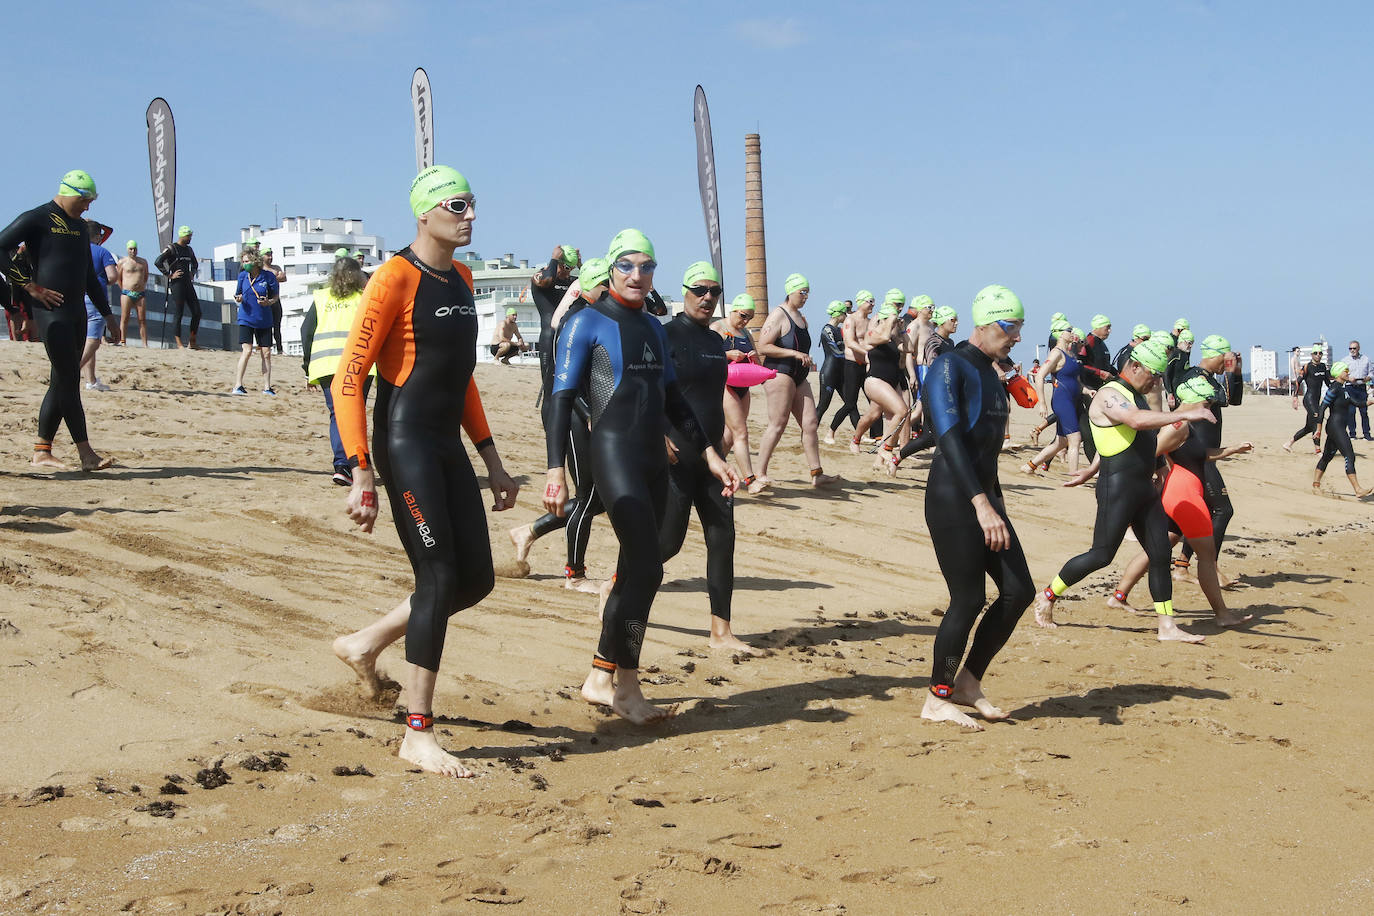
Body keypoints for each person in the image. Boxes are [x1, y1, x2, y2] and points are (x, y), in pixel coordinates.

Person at [330, 165, 518, 777]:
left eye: (472, 205)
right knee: (437, 576)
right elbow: (348, 380)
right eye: (457, 205)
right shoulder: (392, 279)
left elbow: (462, 381)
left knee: (477, 580)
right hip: (404, 444)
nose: (469, 215)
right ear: (425, 212)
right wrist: (361, 471)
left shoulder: (462, 278)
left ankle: (364, 644)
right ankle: (418, 732)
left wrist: (492, 460)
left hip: (447, 446)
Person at [543, 229, 738, 724]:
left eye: (646, 266)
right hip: (612, 456)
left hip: (654, 462)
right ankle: (627, 689)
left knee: (634, 571)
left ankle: (600, 677)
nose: (637, 275)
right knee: (649, 569)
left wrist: (711, 454)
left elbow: (675, 402)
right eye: (627, 265)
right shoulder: (586, 323)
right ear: (610, 270)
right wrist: (555, 471)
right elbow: (560, 398)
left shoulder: (653, 328)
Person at [1032, 337, 1214, 641]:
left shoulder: (1135, 395)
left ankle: (1167, 626)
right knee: (1101, 554)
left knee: (1159, 554)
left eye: (1159, 376)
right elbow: (1134, 421)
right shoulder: (1109, 395)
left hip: (1144, 487)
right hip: (1117, 488)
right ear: (1135, 365)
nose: (1156, 381)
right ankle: (1048, 596)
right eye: (1153, 374)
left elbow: (1120, 439)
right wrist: (1184, 413)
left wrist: (1092, 468)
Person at [920, 285, 1034, 730]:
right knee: (967, 599)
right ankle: (936, 697)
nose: (1017, 337)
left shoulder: (990, 371)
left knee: (1019, 590)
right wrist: (981, 504)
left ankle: (968, 681)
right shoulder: (949, 365)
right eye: (1011, 327)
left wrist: (996, 500)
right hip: (954, 498)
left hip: (985, 497)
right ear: (984, 324)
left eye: (1021, 327)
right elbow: (948, 439)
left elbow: (985, 445)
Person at [657, 262, 758, 654]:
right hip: (675, 456)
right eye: (700, 289)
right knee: (668, 543)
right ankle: (616, 584)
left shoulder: (718, 343)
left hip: (712, 457)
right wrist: (660, 435)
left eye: (714, 291)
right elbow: (651, 392)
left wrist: (727, 441)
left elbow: (717, 399)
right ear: (683, 291)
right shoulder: (665, 335)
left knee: (723, 538)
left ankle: (721, 631)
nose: (707, 297)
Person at [1105, 376, 1254, 627]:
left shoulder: (1187, 424)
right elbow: (1150, 452)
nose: (1209, 407)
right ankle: (1222, 615)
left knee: (1157, 549)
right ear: (1194, 400)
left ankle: (1119, 596)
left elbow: (1199, 456)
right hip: (1184, 497)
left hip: (1180, 495)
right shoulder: (1178, 426)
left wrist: (1231, 449)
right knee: (1207, 558)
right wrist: (1147, 479)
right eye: (1207, 402)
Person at [0, 170, 118, 470]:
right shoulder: (37, 217)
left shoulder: (79, 226)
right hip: (51, 312)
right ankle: (86, 453)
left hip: (77, 311)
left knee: (60, 379)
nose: (87, 207)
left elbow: (90, 277)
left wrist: (108, 315)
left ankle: (42, 451)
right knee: (69, 378)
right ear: (67, 192)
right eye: (83, 200)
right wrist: (29, 286)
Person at [510, 257, 611, 592]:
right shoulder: (573, 321)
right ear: (592, 288)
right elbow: (564, 384)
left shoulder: (597, 315)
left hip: (587, 416)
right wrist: (588, 416)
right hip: (569, 417)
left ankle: (529, 532)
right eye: (605, 287)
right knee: (590, 496)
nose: (611, 292)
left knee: (598, 498)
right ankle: (575, 575)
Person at [753, 273, 838, 489]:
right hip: (779, 373)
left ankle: (816, 473)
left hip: (799, 376)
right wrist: (794, 354)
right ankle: (759, 473)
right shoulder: (778, 315)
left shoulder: (801, 317)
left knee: (810, 423)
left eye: (808, 292)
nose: (806, 296)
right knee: (778, 424)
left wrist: (802, 357)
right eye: (802, 292)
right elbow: (763, 346)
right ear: (790, 291)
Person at [300, 253, 371, 484]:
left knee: (336, 414)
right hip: (358, 365)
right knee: (354, 413)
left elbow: (306, 331)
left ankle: (342, 464)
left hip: (326, 365)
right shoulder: (365, 297)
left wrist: (308, 367)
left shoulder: (321, 297)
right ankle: (353, 463)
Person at [1173, 335, 1239, 581]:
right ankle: (1209, 564)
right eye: (1225, 358)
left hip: (1204, 455)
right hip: (1195, 455)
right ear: (1215, 354)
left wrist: (1236, 369)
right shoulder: (1194, 377)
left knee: (1196, 514)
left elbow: (1234, 399)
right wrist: (1232, 370)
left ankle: (1182, 565)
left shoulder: (1210, 378)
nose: (1227, 363)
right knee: (1223, 510)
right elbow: (1224, 398)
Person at [893, 305, 958, 467]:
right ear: (942, 322)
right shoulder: (933, 341)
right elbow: (933, 364)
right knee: (930, 433)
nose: (956, 323)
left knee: (932, 436)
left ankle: (896, 458)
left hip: (944, 391)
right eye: (952, 320)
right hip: (934, 390)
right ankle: (896, 448)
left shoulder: (949, 342)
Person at [850, 297, 911, 468]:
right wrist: (890, 320)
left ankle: (879, 461)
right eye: (891, 321)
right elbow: (883, 336)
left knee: (883, 417)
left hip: (889, 383)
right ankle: (864, 442)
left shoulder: (894, 338)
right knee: (901, 411)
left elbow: (909, 348)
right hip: (875, 381)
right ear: (882, 320)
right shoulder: (873, 334)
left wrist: (902, 330)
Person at [712, 293, 763, 488]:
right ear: (733, 310)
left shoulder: (746, 333)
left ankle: (711, 470)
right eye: (743, 315)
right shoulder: (718, 328)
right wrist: (727, 354)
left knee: (730, 435)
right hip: (725, 385)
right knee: (741, 432)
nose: (745, 320)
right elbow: (704, 357)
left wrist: (752, 358)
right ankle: (750, 480)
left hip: (743, 387)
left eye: (749, 317)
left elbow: (758, 362)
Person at [1023, 325, 1084, 475]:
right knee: (1075, 439)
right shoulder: (1057, 353)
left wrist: (1088, 390)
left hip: (1072, 400)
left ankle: (1030, 466)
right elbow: (1040, 376)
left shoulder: (1069, 353)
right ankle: (1074, 479)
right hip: (1062, 401)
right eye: (1069, 331)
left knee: (1061, 442)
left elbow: (1074, 380)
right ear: (1060, 334)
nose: (1072, 333)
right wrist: (1042, 403)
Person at [1314, 361, 1373, 497]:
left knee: (1327, 457)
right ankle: (1358, 489)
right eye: (1346, 371)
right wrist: (1318, 429)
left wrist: (1369, 402)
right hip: (1335, 427)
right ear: (1339, 373)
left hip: (1338, 427)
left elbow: (1356, 403)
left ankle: (1315, 485)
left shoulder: (1343, 389)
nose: (1348, 373)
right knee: (1350, 455)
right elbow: (1322, 408)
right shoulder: (1334, 388)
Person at [827, 290, 873, 443]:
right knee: (850, 403)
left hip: (866, 365)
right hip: (852, 364)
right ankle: (830, 432)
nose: (873, 304)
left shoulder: (871, 321)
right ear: (861, 302)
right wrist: (867, 353)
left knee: (874, 402)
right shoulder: (850, 320)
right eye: (869, 301)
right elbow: (850, 342)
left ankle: (876, 436)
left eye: (873, 301)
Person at [231, 249, 279, 395]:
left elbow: (275, 296)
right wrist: (238, 299)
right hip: (246, 317)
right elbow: (238, 294)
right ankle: (238, 385)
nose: (245, 264)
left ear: (255, 261)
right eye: (243, 262)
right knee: (247, 350)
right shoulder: (242, 276)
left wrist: (268, 302)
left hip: (264, 319)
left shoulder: (268, 276)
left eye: (247, 261)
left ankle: (267, 387)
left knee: (266, 353)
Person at [80, 224, 119, 391]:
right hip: (96, 298)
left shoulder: (76, 249)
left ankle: (91, 380)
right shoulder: (102, 252)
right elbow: (112, 276)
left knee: (86, 339)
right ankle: (74, 370)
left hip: (77, 296)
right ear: (97, 236)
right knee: (94, 340)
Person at [155, 225, 201, 348]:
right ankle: (179, 342)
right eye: (189, 236)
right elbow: (158, 261)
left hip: (187, 282)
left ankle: (192, 340)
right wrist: (169, 275)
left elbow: (195, 263)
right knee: (179, 312)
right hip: (177, 284)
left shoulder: (189, 250)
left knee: (197, 312)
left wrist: (192, 272)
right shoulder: (172, 248)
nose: (190, 238)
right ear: (183, 236)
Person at [1284, 345, 1331, 453]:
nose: (1318, 355)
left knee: (1309, 427)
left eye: (1320, 353)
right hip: (1308, 399)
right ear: (1311, 355)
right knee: (1317, 419)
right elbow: (1298, 382)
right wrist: (1295, 397)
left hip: (1316, 400)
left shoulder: (1323, 367)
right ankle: (1318, 450)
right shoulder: (1307, 367)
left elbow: (1328, 383)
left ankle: (1288, 443)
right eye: (1316, 353)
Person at [815, 299, 848, 426]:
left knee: (851, 404)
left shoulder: (840, 330)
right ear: (838, 314)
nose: (846, 316)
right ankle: (809, 432)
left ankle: (859, 436)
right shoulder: (827, 329)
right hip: (829, 372)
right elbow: (836, 352)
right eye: (845, 313)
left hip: (840, 373)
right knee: (823, 406)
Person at [116, 240, 149, 347]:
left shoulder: (143, 262)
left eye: (134, 249)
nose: (133, 251)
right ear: (127, 249)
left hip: (140, 293)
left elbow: (145, 277)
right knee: (125, 318)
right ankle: (123, 341)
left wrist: (140, 286)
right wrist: (124, 289)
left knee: (142, 319)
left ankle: (144, 343)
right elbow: (118, 278)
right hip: (126, 293)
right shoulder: (122, 262)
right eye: (131, 249)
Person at [262, 247, 287, 354]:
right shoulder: (260, 269)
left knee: (277, 326)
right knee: (265, 326)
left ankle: (279, 349)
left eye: (271, 254)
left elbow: (284, 278)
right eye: (267, 255)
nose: (270, 257)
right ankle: (265, 347)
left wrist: (271, 277)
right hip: (264, 300)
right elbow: (263, 279)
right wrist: (274, 276)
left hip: (276, 299)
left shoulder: (276, 267)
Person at [1343, 340, 1371, 440]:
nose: (1352, 350)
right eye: (1350, 348)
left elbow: (1371, 373)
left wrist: (1367, 378)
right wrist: (1348, 378)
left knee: (1364, 411)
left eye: (1354, 348)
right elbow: (1341, 375)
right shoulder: (1345, 360)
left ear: (1358, 348)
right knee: (1351, 412)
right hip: (1350, 387)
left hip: (1361, 387)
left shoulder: (1366, 359)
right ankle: (1352, 434)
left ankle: (1367, 434)